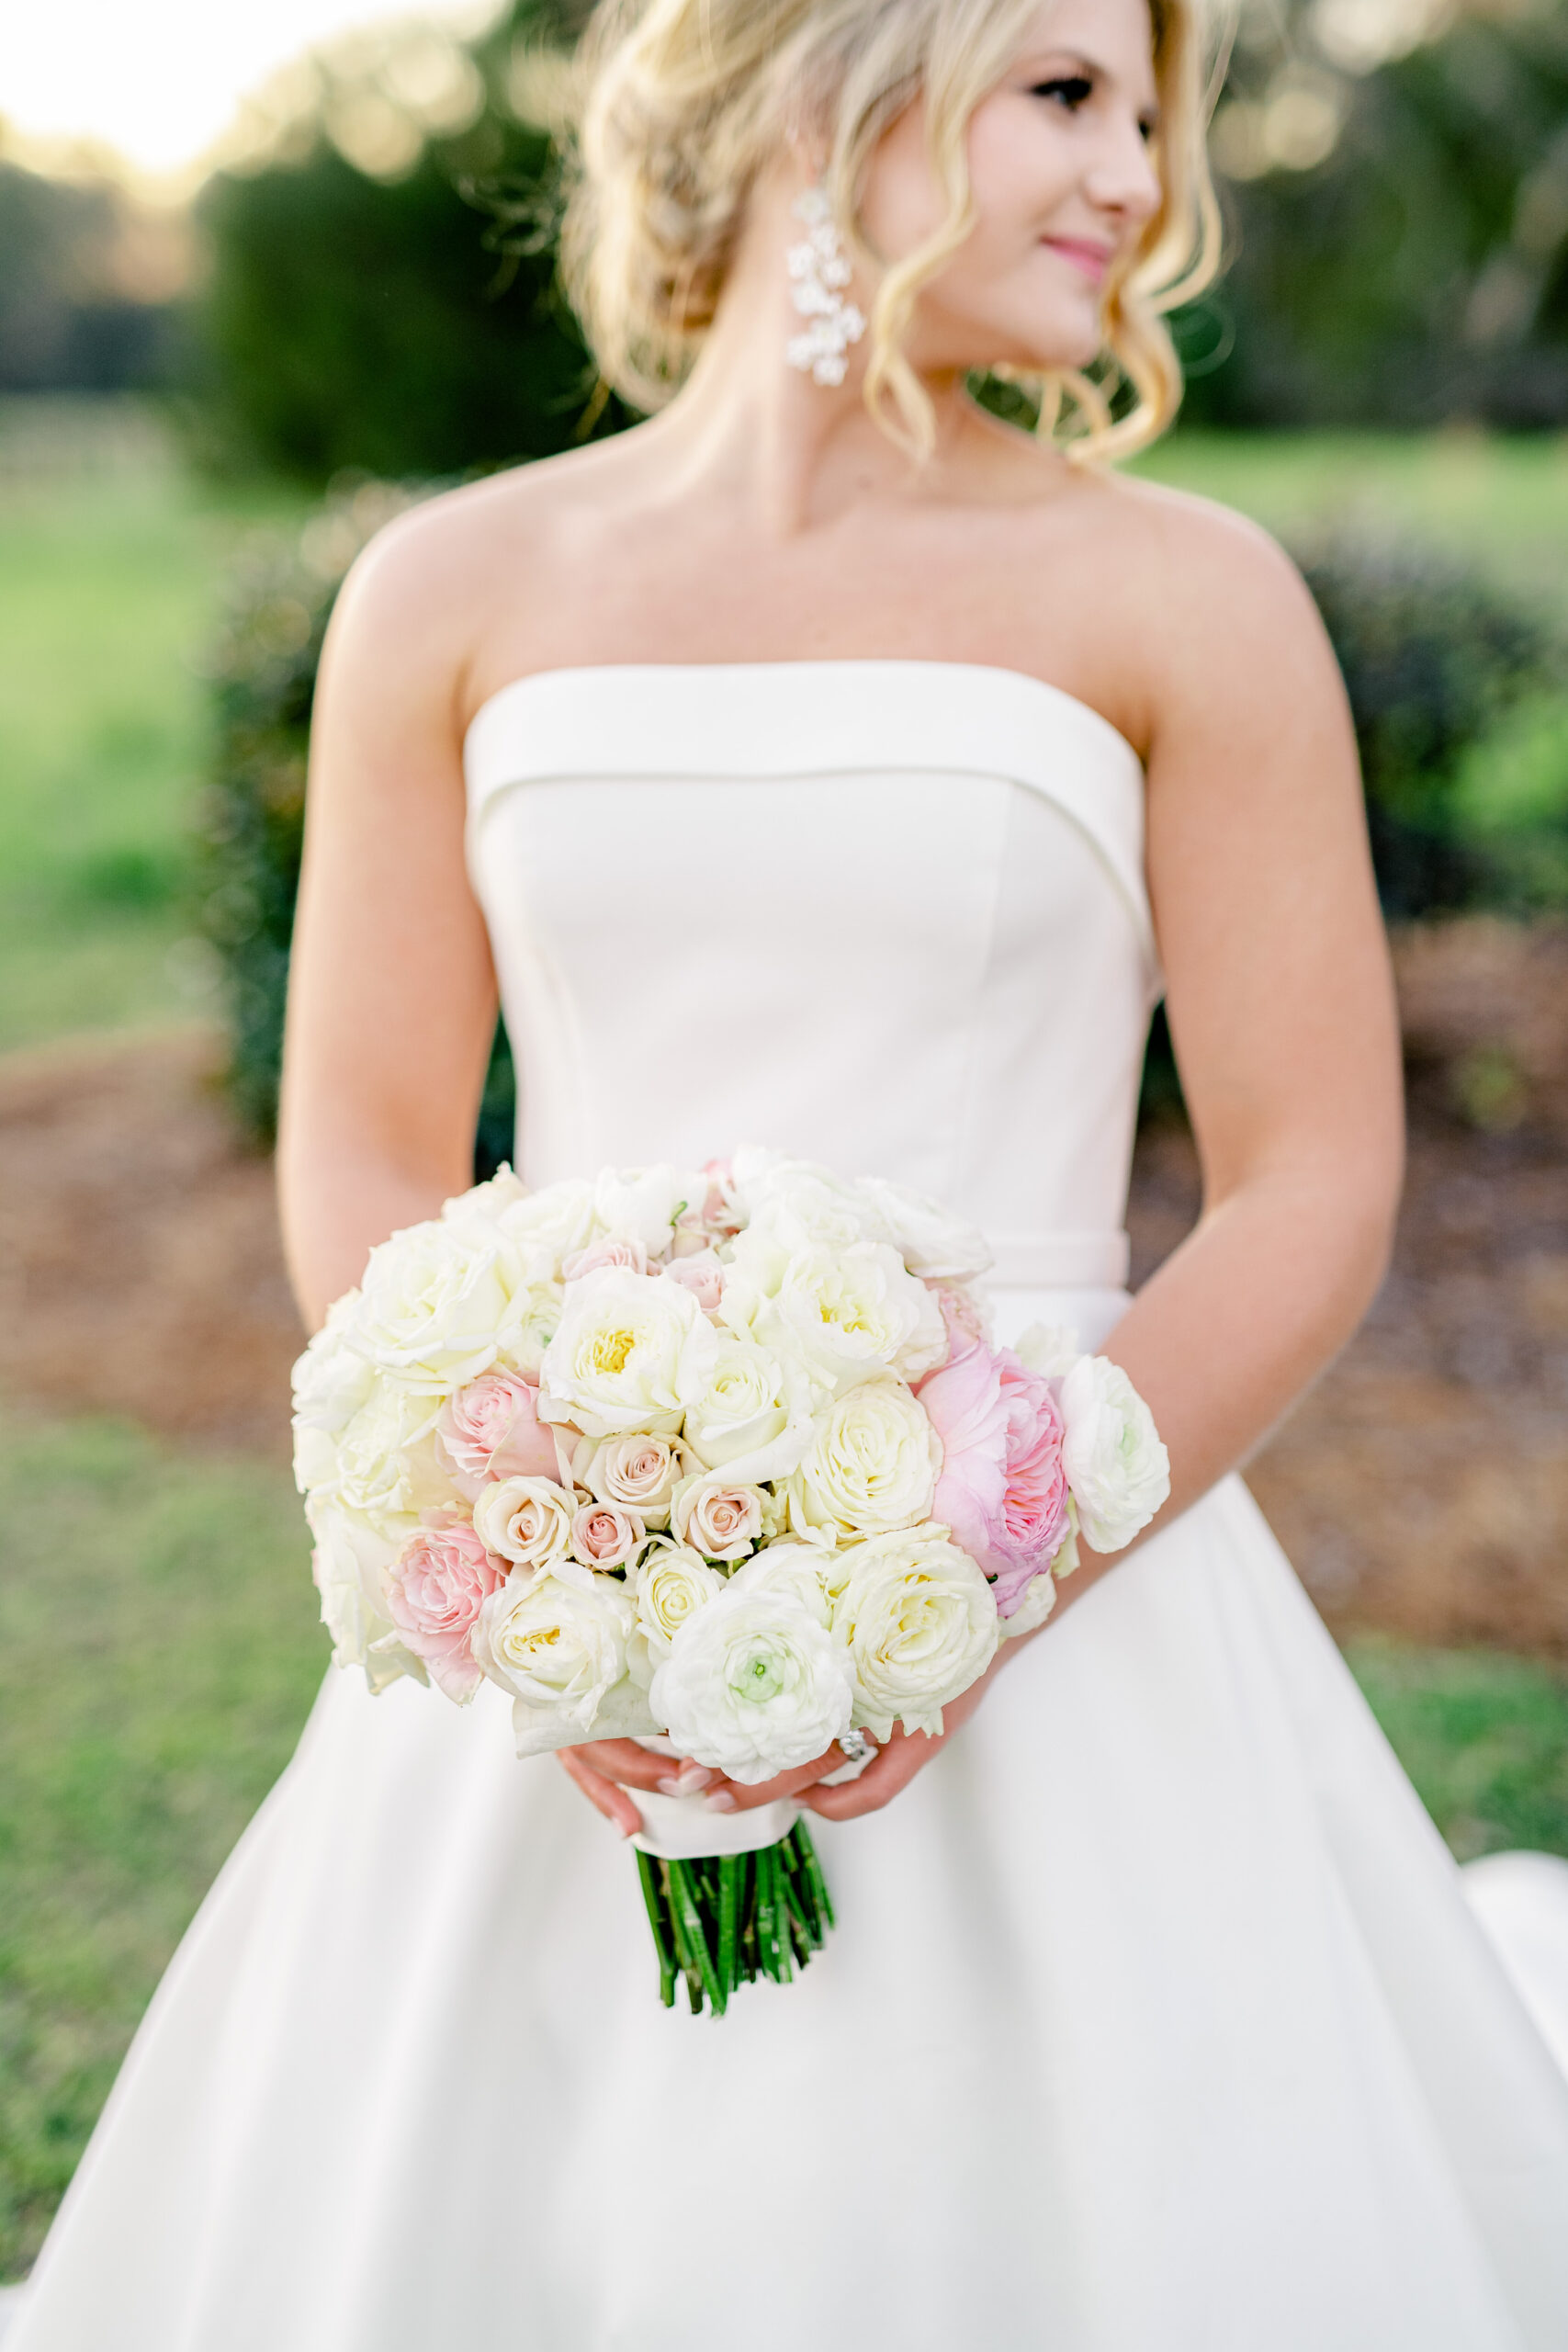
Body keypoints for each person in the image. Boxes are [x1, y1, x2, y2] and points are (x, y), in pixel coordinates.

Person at [13, 1, 1568, 2346]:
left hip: (1074, 1578)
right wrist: (524, 1529)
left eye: (1151, 117)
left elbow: (1311, 1175)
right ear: (828, 85)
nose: (1136, 179)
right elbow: (363, 1138)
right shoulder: (444, 591)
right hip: (573, 1603)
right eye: (1066, 92)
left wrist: (984, 1554)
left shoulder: (1188, 597)